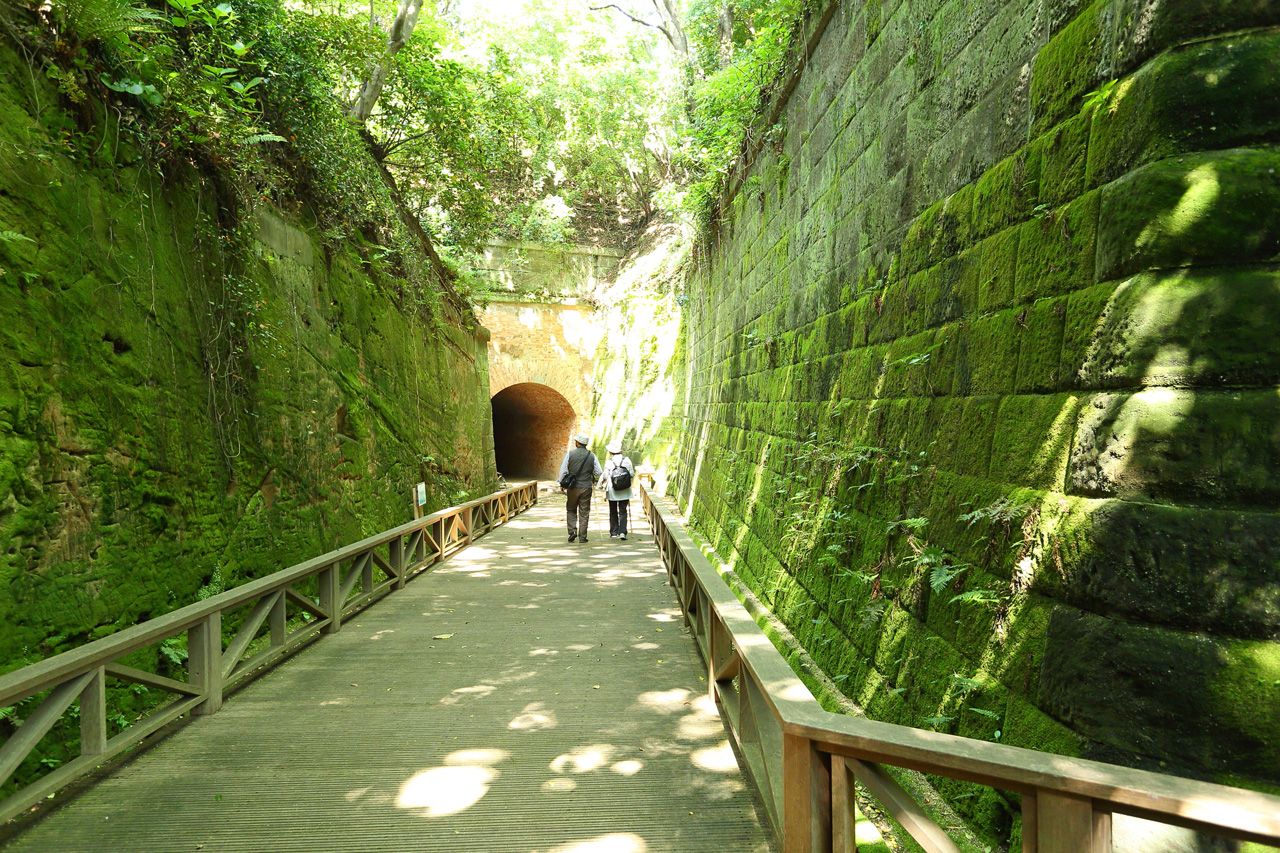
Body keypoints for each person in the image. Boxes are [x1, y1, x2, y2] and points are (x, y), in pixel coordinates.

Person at [558, 433, 601, 543]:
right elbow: (598, 472)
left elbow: (563, 470)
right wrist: (590, 475)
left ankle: (572, 532)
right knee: (584, 511)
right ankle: (582, 537)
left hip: (573, 487)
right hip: (586, 487)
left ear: (577, 443)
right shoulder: (592, 456)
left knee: (571, 509)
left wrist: (561, 483)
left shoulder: (570, 454)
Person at [598, 441, 635, 540]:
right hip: (625, 490)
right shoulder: (627, 460)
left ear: (611, 452)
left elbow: (605, 475)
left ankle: (614, 532)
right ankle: (622, 532)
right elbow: (631, 474)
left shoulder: (609, 462)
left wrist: (600, 485)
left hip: (612, 490)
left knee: (613, 510)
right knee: (623, 511)